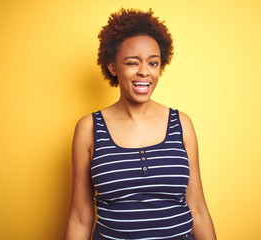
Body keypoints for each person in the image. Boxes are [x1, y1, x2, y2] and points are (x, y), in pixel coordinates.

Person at [65, 8, 217, 240]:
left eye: (153, 63)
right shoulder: (89, 129)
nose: (144, 72)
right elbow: (80, 216)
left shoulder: (181, 124)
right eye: (132, 63)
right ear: (113, 67)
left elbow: (198, 209)